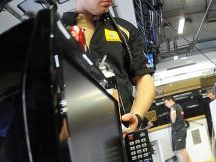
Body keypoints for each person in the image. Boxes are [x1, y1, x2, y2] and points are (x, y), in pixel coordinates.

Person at [62, 0, 155, 132]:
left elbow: (144, 78)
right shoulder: (55, 34)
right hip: (80, 137)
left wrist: (137, 116)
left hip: (124, 132)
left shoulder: (124, 29)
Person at [164, 96, 191, 162]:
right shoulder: (179, 106)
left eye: (166, 102)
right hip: (181, 129)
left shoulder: (174, 107)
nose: (165, 105)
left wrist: (173, 120)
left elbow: (173, 113)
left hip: (178, 130)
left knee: (182, 149)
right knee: (183, 149)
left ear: (170, 100)